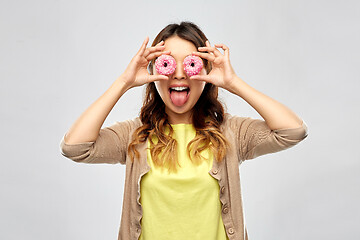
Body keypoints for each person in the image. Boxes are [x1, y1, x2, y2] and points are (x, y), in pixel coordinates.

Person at [59, 21, 308, 240]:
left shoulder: (231, 132)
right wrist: (123, 82)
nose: (178, 74)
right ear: (154, 72)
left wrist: (234, 83)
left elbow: (292, 131)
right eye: (167, 64)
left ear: (207, 71)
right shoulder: (135, 135)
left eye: (190, 64)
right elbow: (75, 147)